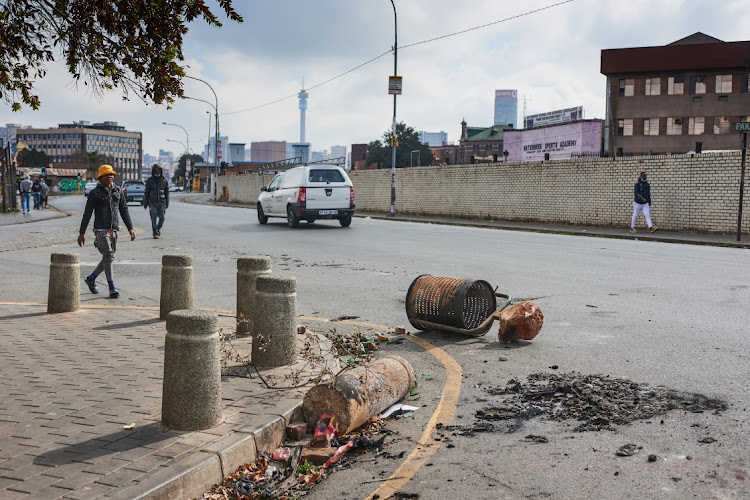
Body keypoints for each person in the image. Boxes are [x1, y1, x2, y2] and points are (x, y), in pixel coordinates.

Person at [78, 164, 136, 298]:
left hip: (113, 229)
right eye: (107, 175)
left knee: (108, 258)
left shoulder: (118, 191)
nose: (110, 177)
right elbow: (87, 213)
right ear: (101, 177)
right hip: (100, 230)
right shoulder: (95, 193)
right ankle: (111, 287)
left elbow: (124, 210)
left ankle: (92, 278)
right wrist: (81, 233)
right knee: (109, 255)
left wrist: (130, 228)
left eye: (112, 175)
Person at [143, 164, 169, 239]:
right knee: (153, 218)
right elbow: (146, 192)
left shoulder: (164, 181)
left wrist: (167, 202)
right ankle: (155, 232)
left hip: (162, 202)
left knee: (162, 218)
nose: (158, 172)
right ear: (153, 171)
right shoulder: (149, 181)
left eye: (159, 171)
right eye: (156, 171)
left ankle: (158, 228)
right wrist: (145, 203)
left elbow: (166, 193)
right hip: (152, 202)